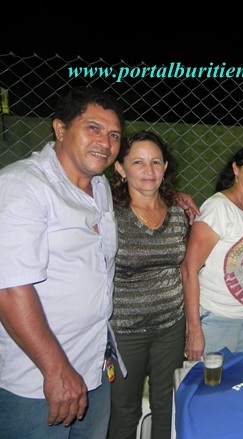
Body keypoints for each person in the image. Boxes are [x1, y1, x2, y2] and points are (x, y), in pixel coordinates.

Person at [0, 86, 126, 438]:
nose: (105, 142)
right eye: (93, 128)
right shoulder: (22, 186)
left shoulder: (99, 186)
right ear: (60, 128)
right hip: (37, 380)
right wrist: (56, 370)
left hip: (92, 366)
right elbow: (9, 289)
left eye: (114, 134)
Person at [107, 131, 190, 439]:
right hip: (125, 331)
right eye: (138, 162)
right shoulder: (109, 216)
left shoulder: (179, 213)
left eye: (156, 162)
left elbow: (182, 268)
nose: (149, 170)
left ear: (165, 167)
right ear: (120, 168)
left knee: (167, 403)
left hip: (171, 326)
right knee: (124, 410)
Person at [181, 145, 243, 359]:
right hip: (219, 317)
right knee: (212, 379)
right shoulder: (218, 208)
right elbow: (188, 270)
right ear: (236, 168)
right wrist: (194, 328)